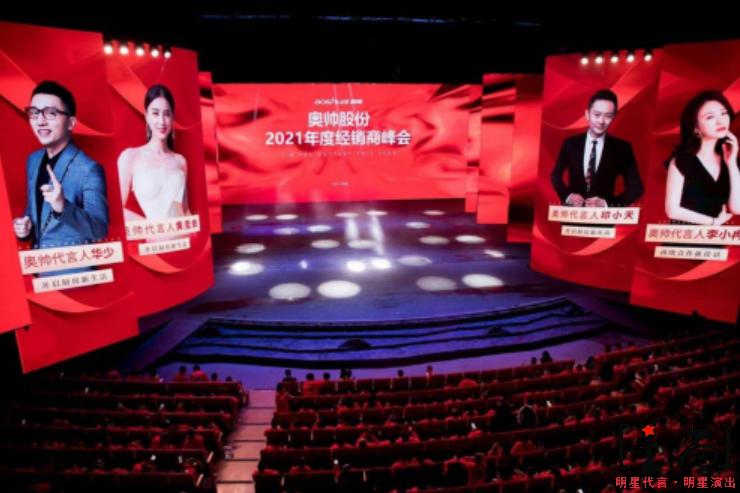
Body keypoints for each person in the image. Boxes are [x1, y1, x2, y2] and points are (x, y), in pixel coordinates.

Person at [14, 81, 109, 271]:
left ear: (71, 123)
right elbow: (34, 211)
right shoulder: (33, 161)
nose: (40, 121)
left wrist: (63, 206)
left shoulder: (89, 169)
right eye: (34, 112)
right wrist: (25, 226)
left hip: (74, 274)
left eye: (50, 113)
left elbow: (100, 229)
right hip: (40, 270)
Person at [550, 89, 643, 208]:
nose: (601, 121)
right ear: (587, 114)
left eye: (608, 116)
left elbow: (636, 188)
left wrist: (607, 203)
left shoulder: (622, 148)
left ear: (614, 117)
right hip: (572, 215)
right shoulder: (571, 144)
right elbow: (555, 176)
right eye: (597, 115)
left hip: (603, 217)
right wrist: (568, 196)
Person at [664, 91, 740, 225]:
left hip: (714, 236)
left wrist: (732, 164)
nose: (720, 121)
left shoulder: (730, 161)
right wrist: (713, 222)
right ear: (696, 127)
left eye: (723, 113)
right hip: (684, 234)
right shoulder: (681, 161)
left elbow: (737, 208)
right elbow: (672, 211)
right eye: (710, 117)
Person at [118, 84, 190, 222]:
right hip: (154, 235)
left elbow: (185, 211)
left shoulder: (181, 161)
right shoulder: (130, 157)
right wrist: (151, 227)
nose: (162, 121)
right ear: (146, 116)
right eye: (155, 113)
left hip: (184, 233)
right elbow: (117, 211)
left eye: (167, 114)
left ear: (172, 118)